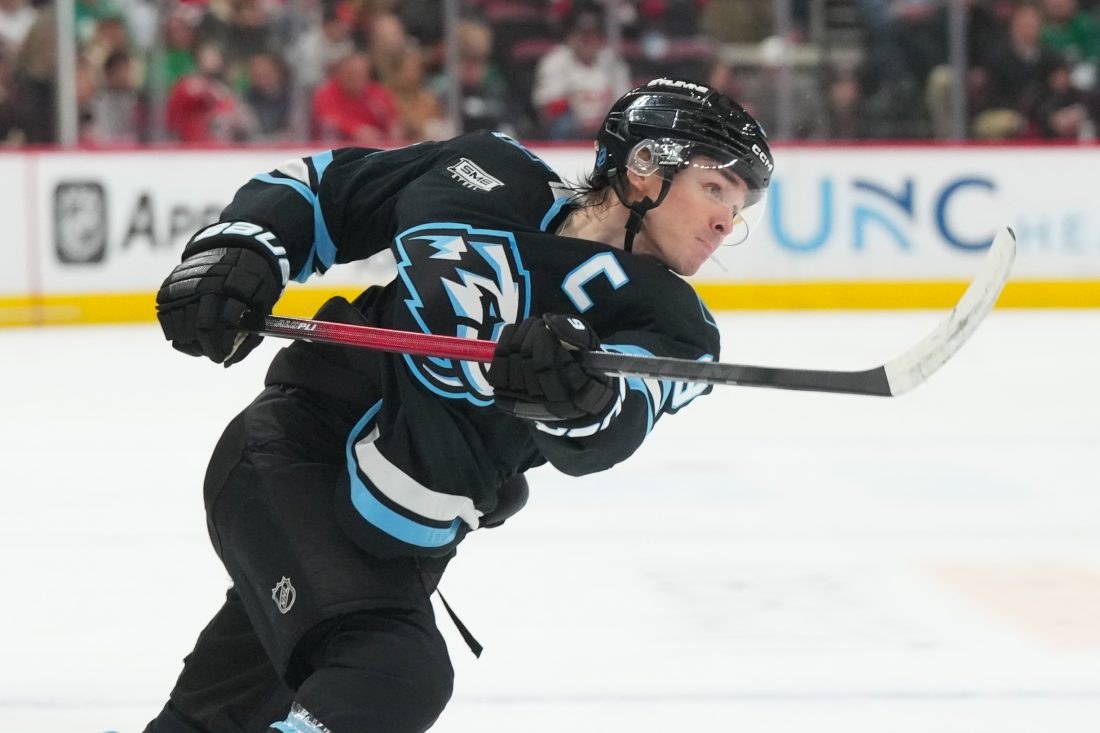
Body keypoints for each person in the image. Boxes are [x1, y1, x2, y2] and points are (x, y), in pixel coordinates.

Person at [146, 77, 773, 733]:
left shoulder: (675, 326)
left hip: (397, 547)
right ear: (644, 166)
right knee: (391, 669)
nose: (727, 220)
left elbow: (612, 423)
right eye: (716, 188)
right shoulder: (486, 173)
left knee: (212, 718)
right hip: (293, 453)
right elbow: (325, 192)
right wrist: (241, 249)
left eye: (739, 204)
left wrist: (573, 394)